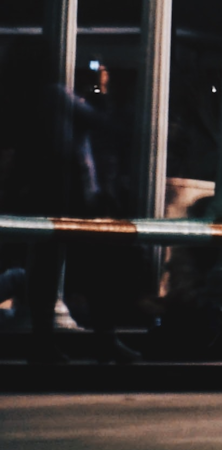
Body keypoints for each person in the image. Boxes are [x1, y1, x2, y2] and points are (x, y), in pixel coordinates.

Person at [3, 48, 141, 370]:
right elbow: (100, 124)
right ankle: (105, 341)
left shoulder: (21, 100)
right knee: (95, 271)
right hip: (70, 197)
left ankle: (42, 343)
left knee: (44, 274)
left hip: (40, 198)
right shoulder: (55, 95)